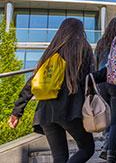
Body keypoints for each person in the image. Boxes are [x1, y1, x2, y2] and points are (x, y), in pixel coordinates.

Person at [9, 18, 105, 163]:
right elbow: (89, 78)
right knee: (87, 149)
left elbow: (32, 82)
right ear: (80, 31)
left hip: (45, 112)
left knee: (60, 158)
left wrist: (17, 112)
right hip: (69, 109)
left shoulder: (51, 51)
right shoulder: (81, 48)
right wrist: (107, 73)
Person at [95, 17, 116, 162]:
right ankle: (110, 152)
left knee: (107, 118)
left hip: (101, 82)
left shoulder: (101, 43)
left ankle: (105, 145)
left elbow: (95, 64)